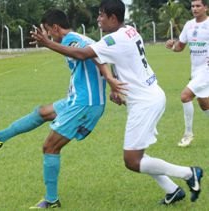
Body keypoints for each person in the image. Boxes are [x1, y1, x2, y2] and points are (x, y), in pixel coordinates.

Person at [31, 0, 204, 206]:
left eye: (102, 15)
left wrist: (49, 43)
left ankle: (188, 173)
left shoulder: (114, 39)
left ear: (113, 18)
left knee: (132, 160)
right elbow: (115, 59)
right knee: (138, 151)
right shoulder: (130, 31)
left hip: (145, 102)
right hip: (148, 96)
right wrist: (115, 85)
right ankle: (172, 190)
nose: (98, 19)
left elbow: (83, 54)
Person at [0, 9, 126, 209]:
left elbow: (94, 56)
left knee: (50, 147)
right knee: (42, 112)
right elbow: (106, 55)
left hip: (84, 104)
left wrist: (110, 80)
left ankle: (51, 200)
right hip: (76, 100)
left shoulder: (72, 40)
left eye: (48, 31)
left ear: (55, 27)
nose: (47, 35)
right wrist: (114, 82)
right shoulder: (75, 38)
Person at [165, 0, 209, 147]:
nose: (195, 9)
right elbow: (180, 47)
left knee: (185, 96)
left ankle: (188, 134)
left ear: (206, 7)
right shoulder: (189, 25)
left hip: (207, 70)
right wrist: (172, 46)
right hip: (196, 71)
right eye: (193, 6)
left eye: (198, 6)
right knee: (204, 104)